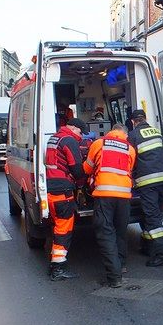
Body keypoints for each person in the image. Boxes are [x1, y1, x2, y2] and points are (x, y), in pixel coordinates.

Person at [84, 123, 136, 288]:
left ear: (111, 131)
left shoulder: (99, 143)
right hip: (124, 196)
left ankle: (114, 277)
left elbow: (87, 168)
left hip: (104, 195)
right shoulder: (130, 148)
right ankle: (121, 265)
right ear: (124, 134)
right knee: (120, 232)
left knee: (106, 233)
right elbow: (130, 169)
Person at [44, 118, 88, 281]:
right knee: (64, 228)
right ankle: (58, 268)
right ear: (75, 129)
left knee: (58, 225)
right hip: (63, 190)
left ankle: (55, 264)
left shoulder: (54, 138)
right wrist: (82, 183)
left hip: (51, 188)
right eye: (80, 133)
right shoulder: (69, 140)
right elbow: (77, 168)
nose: (80, 136)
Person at [127, 109, 163, 267]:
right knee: (154, 214)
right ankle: (147, 246)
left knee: (151, 217)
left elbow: (129, 159)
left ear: (133, 122)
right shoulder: (157, 132)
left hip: (148, 183)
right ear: (145, 118)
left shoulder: (133, 136)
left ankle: (162, 253)